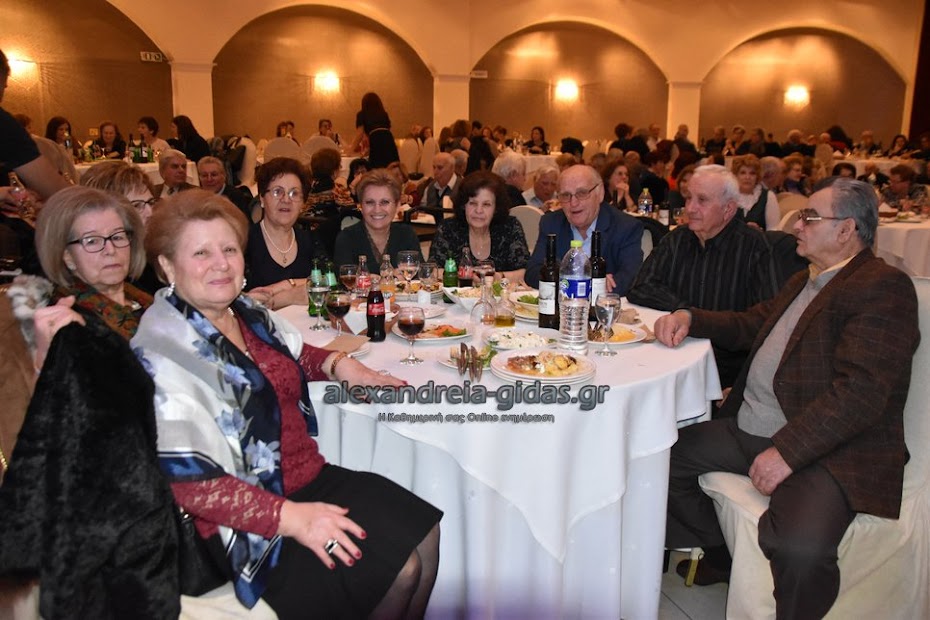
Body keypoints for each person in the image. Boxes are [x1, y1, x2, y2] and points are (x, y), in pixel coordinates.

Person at [128, 190, 441, 617]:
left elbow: (290, 353)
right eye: (201, 253)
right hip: (243, 516)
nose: (221, 263)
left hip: (304, 475)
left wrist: (339, 364)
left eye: (229, 249)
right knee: (402, 571)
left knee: (426, 532)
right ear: (167, 265)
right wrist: (294, 519)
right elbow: (191, 484)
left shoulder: (244, 313)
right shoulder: (163, 352)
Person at [657, 177, 919, 619]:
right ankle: (724, 554)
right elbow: (751, 322)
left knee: (800, 547)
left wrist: (789, 452)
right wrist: (690, 316)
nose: (796, 225)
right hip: (755, 427)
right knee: (661, 459)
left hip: (826, 448)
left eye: (809, 217)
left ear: (846, 229)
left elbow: (862, 391)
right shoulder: (805, 279)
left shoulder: (882, 286)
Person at [0, 186, 179, 617]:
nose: (110, 250)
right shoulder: (61, 323)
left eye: (118, 236)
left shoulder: (149, 305)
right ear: (66, 256)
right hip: (129, 492)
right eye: (92, 241)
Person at [627, 164, 780, 388]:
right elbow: (640, 287)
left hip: (724, 368)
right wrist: (685, 312)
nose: (690, 208)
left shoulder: (754, 247)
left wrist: (697, 319)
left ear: (728, 209)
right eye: (689, 198)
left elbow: (767, 319)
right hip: (672, 353)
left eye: (702, 200)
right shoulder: (677, 239)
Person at [525, 165, 643, 294]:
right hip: (563, 304)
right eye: (566, 195)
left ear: (600, 193)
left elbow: (631, 277)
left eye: (581, 193)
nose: (573, 203)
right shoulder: (551, 223)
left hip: (602, 305)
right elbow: (532, 273)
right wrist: (583, 284)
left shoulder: (625, 226)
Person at [245, 158, 327, 309]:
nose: (286, 200)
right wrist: (290, 296)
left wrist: (287, 285)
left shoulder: (309, 240)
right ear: (262, 198)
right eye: (278, 192)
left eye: (294, 193)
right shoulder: (244, 242)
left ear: (302, 204)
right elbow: (238, 302)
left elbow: (329, 283)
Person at [78, 159, 162, 293]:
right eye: (137, 206)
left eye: (151, 202)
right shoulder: (106, 269)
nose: (150, 212)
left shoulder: (154, 252)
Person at [429, 171, 530, 283]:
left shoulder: (510, 227)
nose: (478, 210)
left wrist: (498, 277)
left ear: (496, 208)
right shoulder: (448, 228)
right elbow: (433, 270)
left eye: (486, 204)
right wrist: (463, 277)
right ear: (463, 205)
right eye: (473, 203)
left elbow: (526, 272)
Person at [334, 170, 422, 269]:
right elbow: (345, 276)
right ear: (361, 206)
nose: (377, 209)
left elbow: (420, 274)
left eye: (384, 202)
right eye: (370, 202)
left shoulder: (407, 235)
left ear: (397, 206)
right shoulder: (346, 238)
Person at [351, 92, 398, 169]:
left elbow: (359, 134)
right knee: (391, 166)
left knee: (377, 166)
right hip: (389, 139)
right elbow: (387, 129)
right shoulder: (384, 114)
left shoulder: (362, 114)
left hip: (376, 138)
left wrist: (350, 150)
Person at [731, 154, 779, 229]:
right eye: (743, 173)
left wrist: (758, 232)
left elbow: (774, 230)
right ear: (735, 175)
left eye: (752, 173)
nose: (747, 177)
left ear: (757, 177)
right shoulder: (727, 196)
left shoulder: (768, 197)